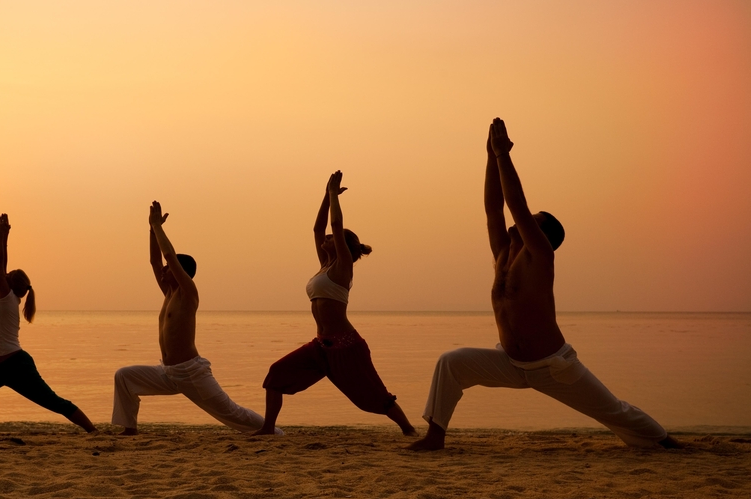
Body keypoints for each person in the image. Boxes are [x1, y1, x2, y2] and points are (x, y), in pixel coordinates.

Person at [407, 118, 680, 451]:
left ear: (541, 236)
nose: (520, 222)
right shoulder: (504, 254)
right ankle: (435, 438)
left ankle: (664, 441)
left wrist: (504, 155)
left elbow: (515, 207)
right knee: (451, 362)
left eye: (532, 222)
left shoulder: (539, 256)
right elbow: (493, 208)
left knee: (614, 411)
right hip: (510, 362)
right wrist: (490, 157)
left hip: (553, 367)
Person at [253, 171, 417, 436]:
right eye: (327, 238)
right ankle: (268, 428)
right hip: (320, 346)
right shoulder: (324, 265)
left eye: (332, 238)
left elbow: (336, 227)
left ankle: (408, 429)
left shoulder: (343, 266)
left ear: (343, 246)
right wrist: (325, 195)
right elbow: (318, 228)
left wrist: (334, 196)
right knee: (277, 374)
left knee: (373, 396)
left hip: (346, 347)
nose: (326, 238)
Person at [112, 201, 277, 435]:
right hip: (168, 372)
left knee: (231, 412)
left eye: (169, 268)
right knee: (125, 376)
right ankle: (130, 429)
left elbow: (167, 255)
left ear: (180, 271)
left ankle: (272, 431)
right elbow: (155, 260)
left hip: (190, 372)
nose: (163, 270)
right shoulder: (169, 293)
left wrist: (158, 226)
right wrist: (151, 229)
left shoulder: (188, 293)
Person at [0, 214, 97, 435]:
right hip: (1, 367)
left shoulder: (6, 299)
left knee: (52, 401)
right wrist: (6, 236)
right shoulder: (7, 298)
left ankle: (92, 430)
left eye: (8, 275)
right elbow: (2, 264)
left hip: (16, 366)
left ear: (10, 283)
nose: (5, 273)